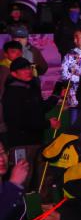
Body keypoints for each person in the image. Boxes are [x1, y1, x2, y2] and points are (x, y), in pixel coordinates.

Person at [3, 58, 58, 192]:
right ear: (14, 73)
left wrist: (56, 95)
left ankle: (44, 203)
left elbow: (40, 108)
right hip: (21, 144)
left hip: (37, 142)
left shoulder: (32, 87)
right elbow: (19, 121)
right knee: (23, 179)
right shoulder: (11, 93)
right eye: (23, 69)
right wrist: (47, 123)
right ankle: (18, 204)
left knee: (42, 179)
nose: (27, 71)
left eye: (28, 68)